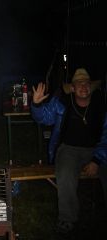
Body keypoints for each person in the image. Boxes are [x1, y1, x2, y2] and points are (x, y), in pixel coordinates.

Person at [31, 68, 107, 237]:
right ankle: (67, 218)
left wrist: (96, 160)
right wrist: (36, 104)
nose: (83, 86)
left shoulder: (101, 106)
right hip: (68, 149)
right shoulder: (62, 103)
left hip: (97, 149)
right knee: (64, 172)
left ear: (91, 87)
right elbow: (43, 118)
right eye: (79, 84)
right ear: (72, 87)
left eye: (86, 83)